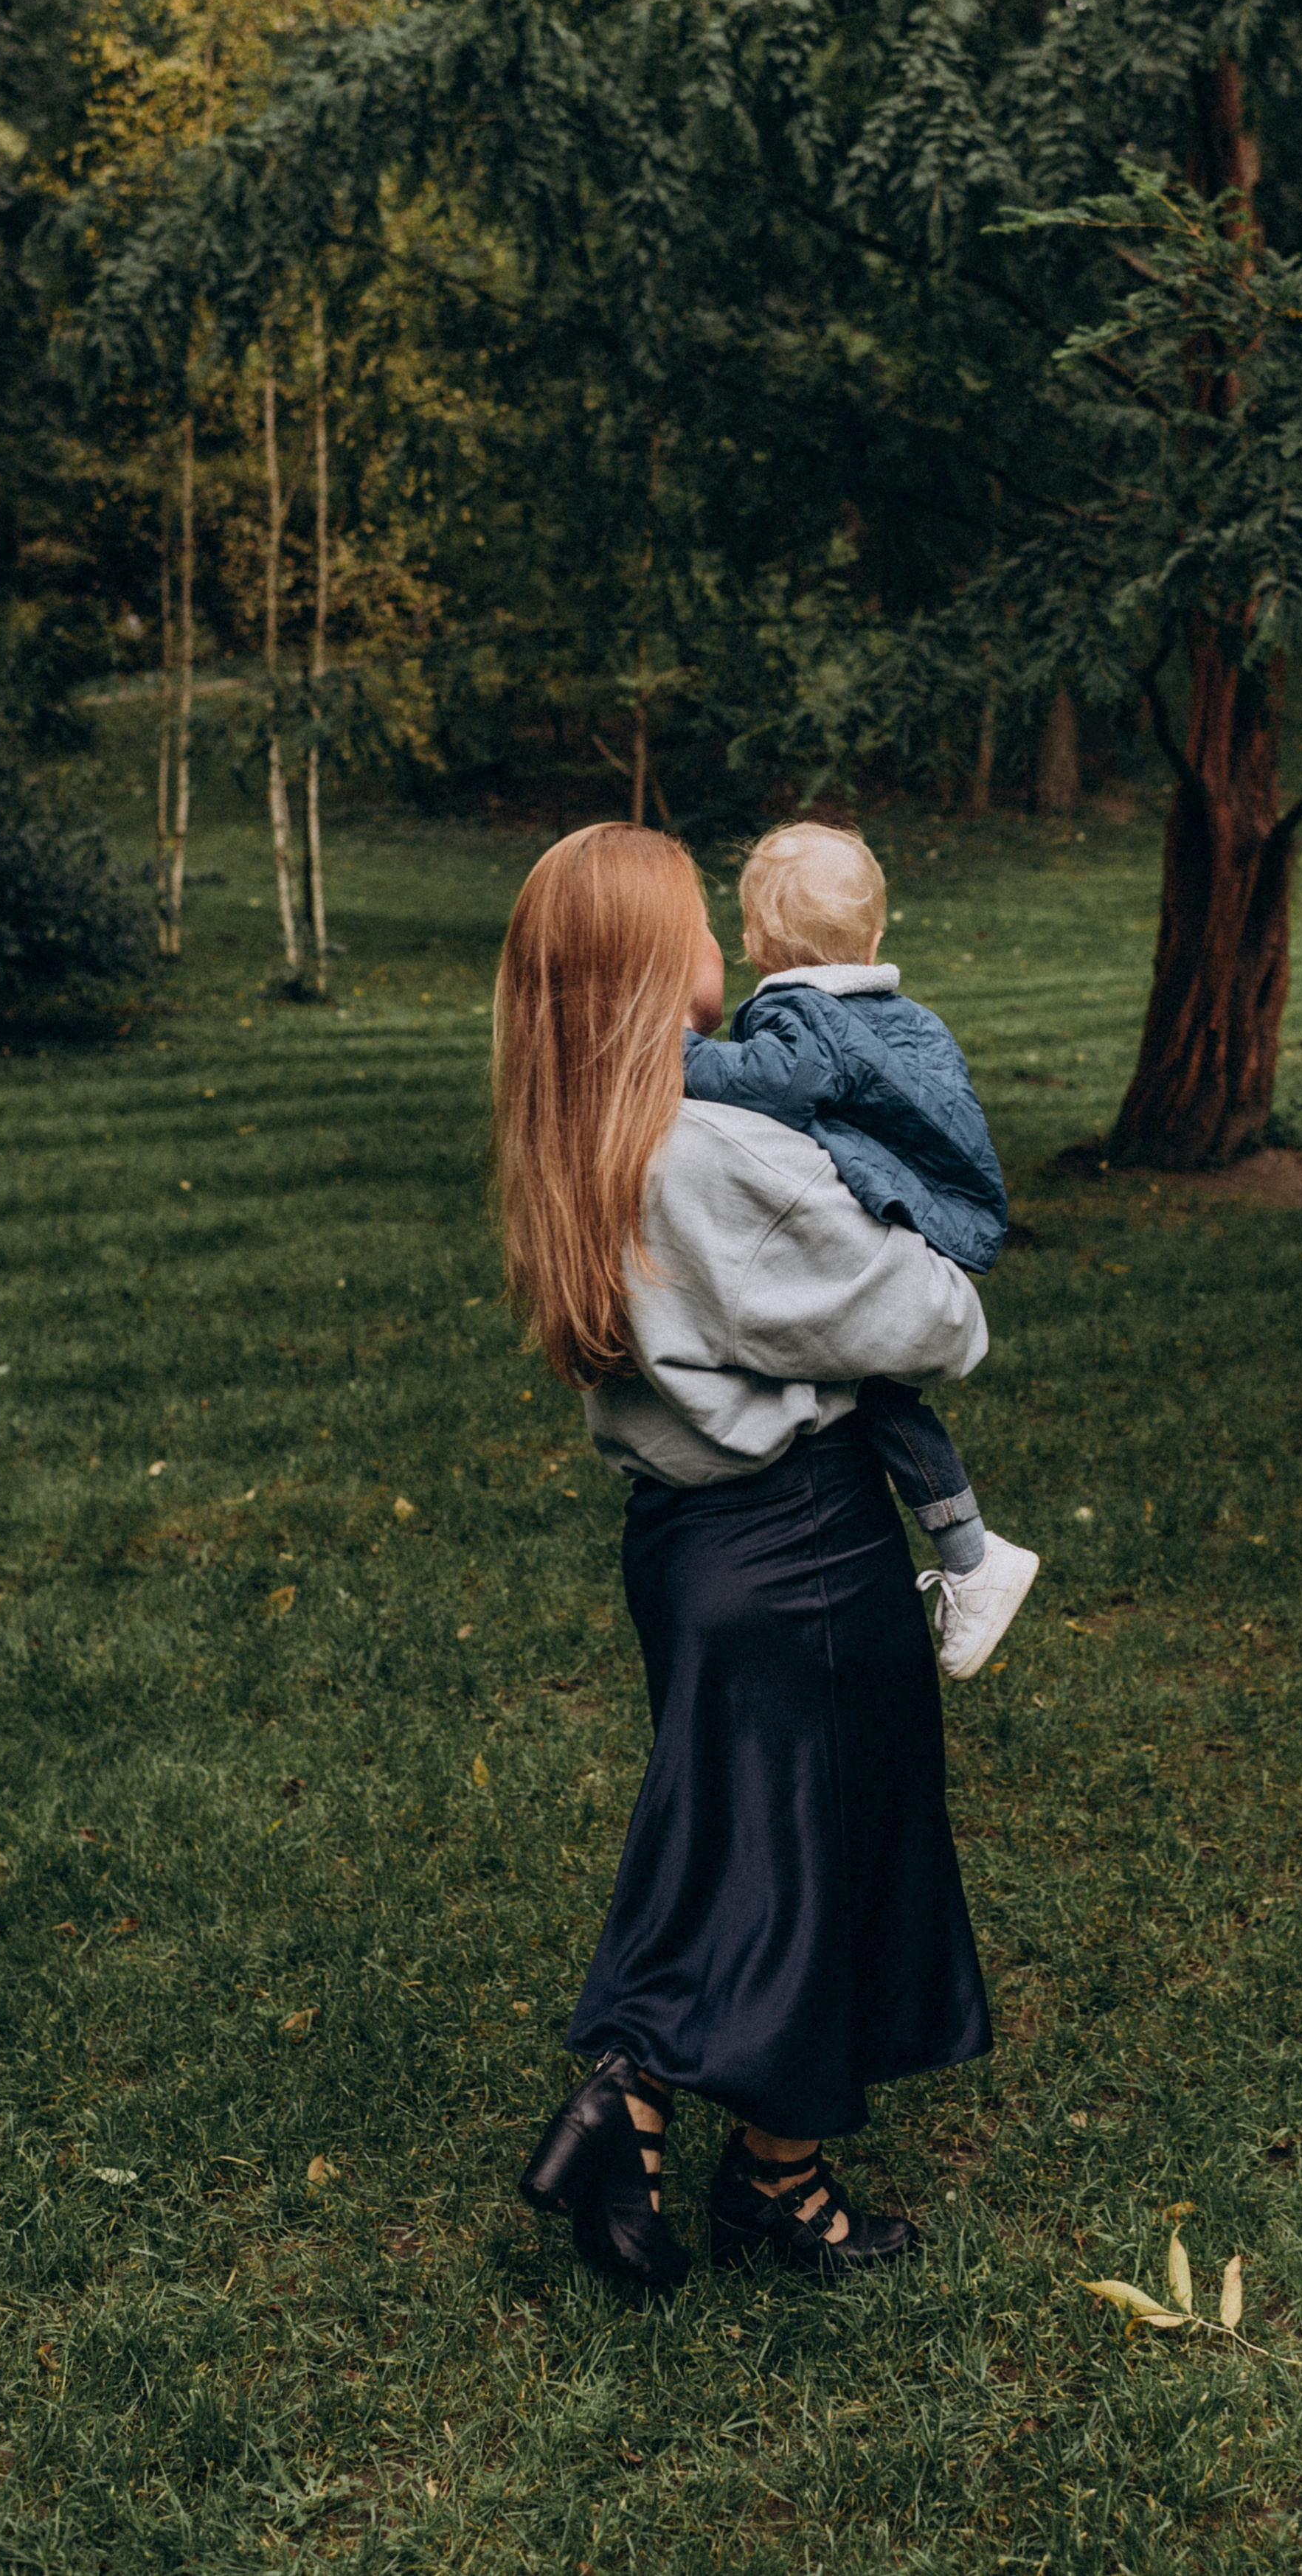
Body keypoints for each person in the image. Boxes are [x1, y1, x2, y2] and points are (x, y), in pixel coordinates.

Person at [495, 822, 995, 2292]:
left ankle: (777, 2179)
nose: (731, 942)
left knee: (776, 1848)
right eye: (699, 925)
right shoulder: (716, 1149)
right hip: (803, 1545)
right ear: (658, 967)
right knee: (788, 1863)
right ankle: (634, 2100)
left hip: (688, 1540)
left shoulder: (577, 1122)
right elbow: (935, 1320)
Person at [683, 819, 1039, 1678]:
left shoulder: (800, 1012)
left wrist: (675, 1054)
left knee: (877, 1395)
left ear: (754, 941)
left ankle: (973, 1555)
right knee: (885, 1396)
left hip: (896, 1214)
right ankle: (970, 1552)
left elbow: (773, 1082)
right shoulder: (901, 1016)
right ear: (876, 936)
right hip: (939, 1208)